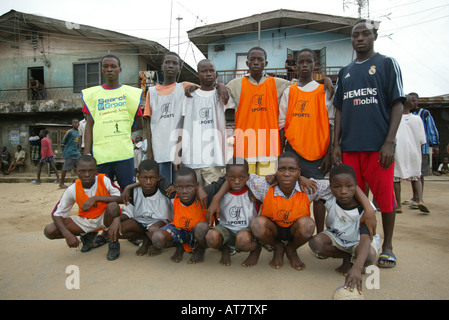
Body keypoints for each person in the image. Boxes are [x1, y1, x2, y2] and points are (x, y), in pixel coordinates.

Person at [213, 152, 376, 271]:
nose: (286, 173)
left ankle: (291, 249)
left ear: (299, 171)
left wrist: (368, 208)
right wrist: (216, 198)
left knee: (308, 224)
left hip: (294, 231)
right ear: (276, 171)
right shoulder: (265, 185)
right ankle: (277, 247)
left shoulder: (309, 187)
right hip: (274, 230)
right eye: (282, 169)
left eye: (292, 169)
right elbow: (239, 177)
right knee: (257, 224)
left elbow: (346, 184)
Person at [332, 19, 406, 268]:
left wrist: (389, 141)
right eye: (355, 35)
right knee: (352, 200)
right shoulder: (345, 71)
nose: (360, 38)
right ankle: (356, 246)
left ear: (374, 36)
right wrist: (336, 143)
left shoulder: (386, 64)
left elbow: (397, 103)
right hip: (351, 148)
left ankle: (387, 246)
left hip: (378, 147)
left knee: (385, 200)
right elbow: (340, 109)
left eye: (365, 34)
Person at [226, 47, 333, 177]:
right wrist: (219, 86)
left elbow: (302, 84)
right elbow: (220, 93)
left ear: (266, 64)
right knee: (247, 188)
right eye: (252, 59)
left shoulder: (276, 83)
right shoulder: (235, 84)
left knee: (266, 188)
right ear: (247, 63)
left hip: (269, 148)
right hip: (244, 147)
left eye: (260, 59)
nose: (255, 62)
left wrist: (324, 80)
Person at [279, 48, 334, 235]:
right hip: (293, 152)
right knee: (291, 193)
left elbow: (331, 123)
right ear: (294, 66)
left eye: (308, 62)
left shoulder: (323, 90)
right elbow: (281, 125)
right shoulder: (289, 91)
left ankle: (319, 235)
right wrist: (281, 154)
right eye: (300, 62)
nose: (304, 65)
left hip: (318, 152)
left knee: (318, 196)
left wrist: (329, 152)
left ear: (315, 65)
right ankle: (290, 233)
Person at [309, 164, 380, 295]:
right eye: (337, 186)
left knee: (368, 256)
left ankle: (355, 261)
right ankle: (347, 257)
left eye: (349, 186)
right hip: (338, 237)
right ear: (330, 188)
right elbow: (308, 184)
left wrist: (358, 268)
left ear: (356, 186)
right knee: (315, 243)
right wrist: (302, 179)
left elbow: (365, 239)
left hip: (359, 241)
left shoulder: (365, 209)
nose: (343, 191)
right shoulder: (329, 198)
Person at [82, 54, 144, 191]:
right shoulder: (93, 95)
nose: (110, 69)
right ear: (102, 69)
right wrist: (87, 153)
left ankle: (129, 213)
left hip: (124, 154)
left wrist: (122, 133)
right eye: (106, 66)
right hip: (101, 156)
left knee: (130, 192)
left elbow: (139, 123)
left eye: (113, 66)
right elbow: (89, 125)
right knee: (102, 192)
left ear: (120, 69)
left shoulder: (130, 94)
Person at [43, 155, 122, 261]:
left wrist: (96, 198)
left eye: (91, 171)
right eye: (82, 171)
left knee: (113, 206)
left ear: (96, 171)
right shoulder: (73, 189)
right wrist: (68, 235)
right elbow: (57, 214)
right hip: (86, 220)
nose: (87, 175)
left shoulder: (104, 179)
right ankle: (89, 235)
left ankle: (113, 242)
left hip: (105, 218)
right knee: (50, 230)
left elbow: (120, 198)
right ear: (76, 171)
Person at [151, 166, 225, 264]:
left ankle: (200, 249)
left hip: (198, 234)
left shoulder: (204, 194)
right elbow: (157, 178)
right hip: (179, 231)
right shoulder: (172, 192)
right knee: (157, 238)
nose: (185, 191)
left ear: (196, 185)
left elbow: (224, 180)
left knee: (201, 226)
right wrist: (130, 187)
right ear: (174, 187)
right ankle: (180, 246)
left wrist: (200, 189)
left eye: (189, 187)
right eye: (180, 187)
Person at [177, 59, 234, 186]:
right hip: (192, 158)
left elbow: (233, 100)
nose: (208, 74)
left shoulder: (221, 95)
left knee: (213, 197)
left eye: (211, 71)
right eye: (204, 71)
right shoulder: (189, 96)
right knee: (194, 198)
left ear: (216, 74)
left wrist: (221, 85)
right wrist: (178, 152)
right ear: (198, 74)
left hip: (214, 159)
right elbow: (182, 125)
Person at [143, 52, 196, 183]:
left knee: (182, 188)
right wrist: (149, 151)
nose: (170, 66)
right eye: (167, 62)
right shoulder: (152, 92)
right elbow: (148, 123)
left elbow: (208, 88)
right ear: (161, 67)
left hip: (181, 151)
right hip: (159, 151)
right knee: (164, 189)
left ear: (179, 68)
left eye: (175, 63)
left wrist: (221, 86)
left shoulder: (183, 87)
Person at [107, 159, 174, 257]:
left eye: (152, 178)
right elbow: (128, 212)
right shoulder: (134, 191)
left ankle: (156, 244)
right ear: (138, 177)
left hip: (160, 223)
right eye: (144, 178)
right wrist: (117, 219)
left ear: (158, 177)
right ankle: (146, 239)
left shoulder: (165, 189)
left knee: (154, 231)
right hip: (140, 222)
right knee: (116, 229)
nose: (148, 182)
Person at [205, 157, 261, 267]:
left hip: (246, 231)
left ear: (248, 177)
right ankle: (225, 249)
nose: (236, 182)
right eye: (232, 177)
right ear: (226, 177)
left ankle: (256, 249)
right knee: (211, 237)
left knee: (243, 240)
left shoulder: (254, 192)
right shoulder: (220, 192)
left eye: (242, 177)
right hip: (226, 229)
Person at [393, 95, 428, 214]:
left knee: (396, 178)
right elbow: (423, 140)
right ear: (411, 105)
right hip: (414, 151)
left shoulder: (394, 118)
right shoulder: (417, 119)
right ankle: (420, 199)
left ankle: (398, 205)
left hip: (398, 151)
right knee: (416, 176)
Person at [406, 92, 439, 207]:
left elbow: (431, 129)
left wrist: (435, 144)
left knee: (420, 173)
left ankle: (419, 198)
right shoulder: (407, 114)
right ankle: (414, 197)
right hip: (410, 149)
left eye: (414, 100)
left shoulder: (424, 113)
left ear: (418, 101)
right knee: (413, 173)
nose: (412, 102)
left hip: (422, 149)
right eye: (411, 100)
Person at [59, 118, 81, 189]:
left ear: (79, 124)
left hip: (76, 153)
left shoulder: (78, 132)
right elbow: (63, 142)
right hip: (69, 153)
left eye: (77, 122)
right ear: (72, 124)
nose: (75, 124)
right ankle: (61, 183)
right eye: (74, 123)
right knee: (65, 168)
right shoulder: (70, 132)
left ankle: (81, 181)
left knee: (80, 166)